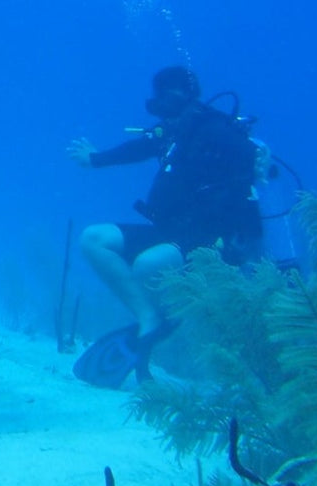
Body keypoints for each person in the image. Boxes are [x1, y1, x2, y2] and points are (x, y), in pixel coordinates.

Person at [68, 66, 263, 388]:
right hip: (170, 231)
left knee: (147, 265)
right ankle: (150, 318)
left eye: (167, 99)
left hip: (207, 240)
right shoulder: (173, 133)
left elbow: (251, 159)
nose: (161, 109)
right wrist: (96, 158)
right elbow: (140, 148)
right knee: (94, 239)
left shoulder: (213, 129)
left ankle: (176, 328)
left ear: (185, 97)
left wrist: (262, 164)